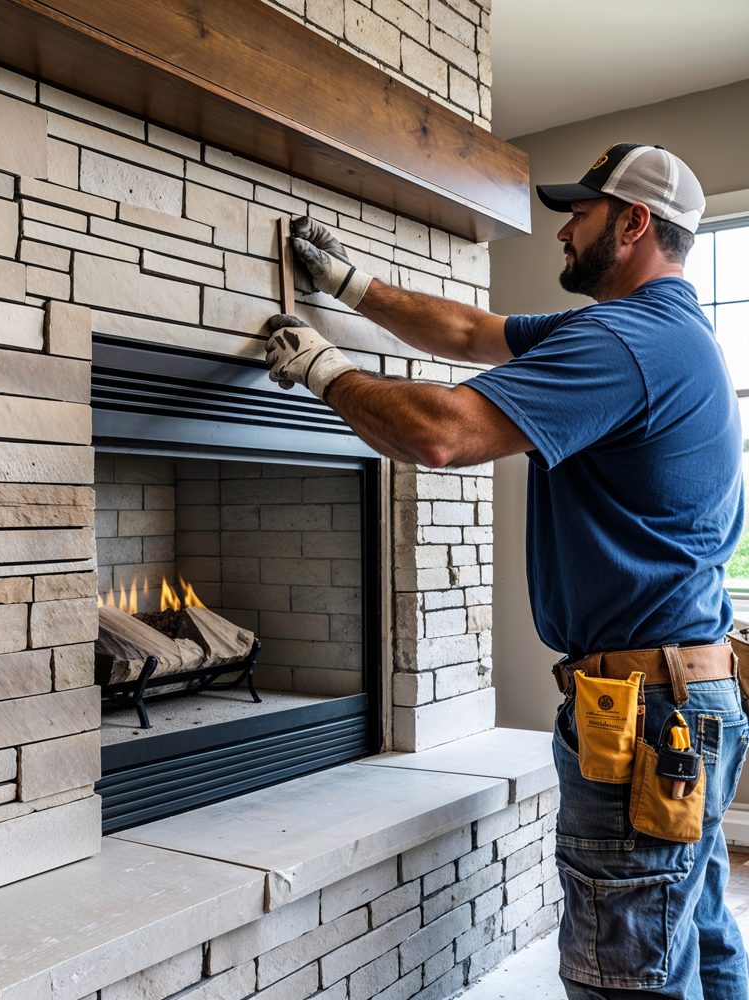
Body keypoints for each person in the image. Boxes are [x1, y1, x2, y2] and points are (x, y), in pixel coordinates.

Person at [264, 143, 749, 999]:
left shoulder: (622, 342)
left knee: (626, 974)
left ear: (632, 223)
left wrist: (322, 369)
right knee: (696, 934)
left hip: (645, 716)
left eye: (582, 213)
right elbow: (466, 332)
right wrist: (349, 286)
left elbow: (443, 434)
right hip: (690, 695)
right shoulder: (666, 333)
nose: (564, 230)